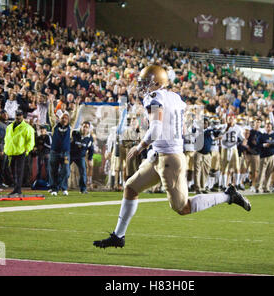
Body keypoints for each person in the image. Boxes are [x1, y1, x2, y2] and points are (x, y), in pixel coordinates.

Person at [93, 65, 251, 249]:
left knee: (182, 207)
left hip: (169, 158)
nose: (143, 86)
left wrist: (140, 145)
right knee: (130, 188)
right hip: (161, 155)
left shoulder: (154, 98)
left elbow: (156, 129)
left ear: (157, 82)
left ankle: (228, 196)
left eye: (146, 82)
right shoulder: (175, 97)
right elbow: (178, 128)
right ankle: (118, 236)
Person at [47, 94, 79, 196]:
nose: (64, 119)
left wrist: (77, 106)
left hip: (65, 153)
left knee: (66, 170)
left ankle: (63, 187)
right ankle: (54, 189)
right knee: (53, 171)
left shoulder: (70, 127)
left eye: (66, 118)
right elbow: (51, 115)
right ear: (60, 118)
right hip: (54, 152)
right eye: (62, 118)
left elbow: (75, 117)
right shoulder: (54, 126)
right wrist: (51, 103)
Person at [3, 109, 35, 196]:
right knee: (12, 170)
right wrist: (5, 149)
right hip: (10, 152)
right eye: (17, 115)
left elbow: (31, 141)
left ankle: (18, 189)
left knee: (19, 172)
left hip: (21, 152)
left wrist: (27, 149)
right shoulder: (9, 126)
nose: (18, 117)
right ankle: (16, 188)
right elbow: (7, 139)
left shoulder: (27, 128)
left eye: (20, 115)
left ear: (23, 116)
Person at [70, 121, 95, 194]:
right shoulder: (75, 133)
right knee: (64, 170)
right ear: (81, 126)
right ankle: (57, 188)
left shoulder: (90, 138)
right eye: (84, 126)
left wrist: (90, 159)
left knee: (83, 171)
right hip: (71, 155)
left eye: (87, 127)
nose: (85, 128)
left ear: (89, 129)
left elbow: (91, 149)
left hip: (80, 157)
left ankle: (83, 189)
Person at [258, 121, 274, 193]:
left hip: (272, 155)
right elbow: (258, 145)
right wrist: (264, 145)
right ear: (265, 127)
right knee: (262, 172)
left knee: (269, 172)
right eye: (267, 126)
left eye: (269, 126)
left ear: (271, 127)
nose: (268, 127)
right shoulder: (262, 135)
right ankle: (259, 187)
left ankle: (266, 187)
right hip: (264, 156)